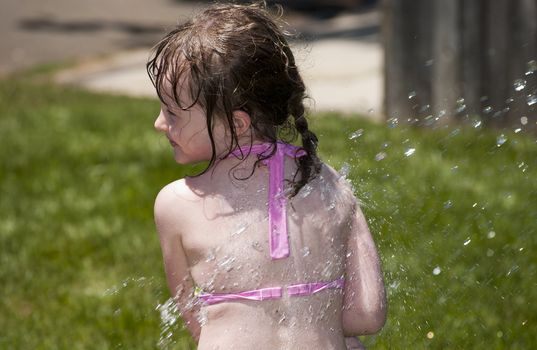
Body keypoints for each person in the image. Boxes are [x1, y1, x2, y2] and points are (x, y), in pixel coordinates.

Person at [147, 3, 386, 349]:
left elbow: (198, 322)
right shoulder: (332, 185)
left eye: (172, 112)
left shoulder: (176, 205)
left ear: (239, 123)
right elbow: (367, 314)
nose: (159, 123)